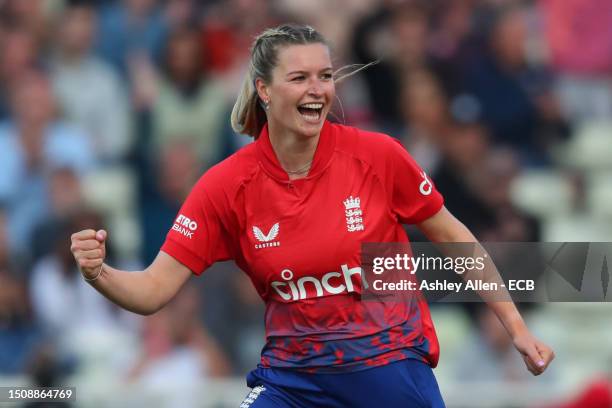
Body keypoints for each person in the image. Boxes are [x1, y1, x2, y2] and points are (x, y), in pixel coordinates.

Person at [71, 24, 554, 407]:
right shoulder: (226, 186)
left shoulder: (378, 156)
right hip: (292, 383)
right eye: (299, 78)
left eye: (325, 76)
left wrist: (517, 328)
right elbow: (153, 290)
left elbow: (454, 238)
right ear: (264, 89)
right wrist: (98, 272)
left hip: (389, 372)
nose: (318, 89)